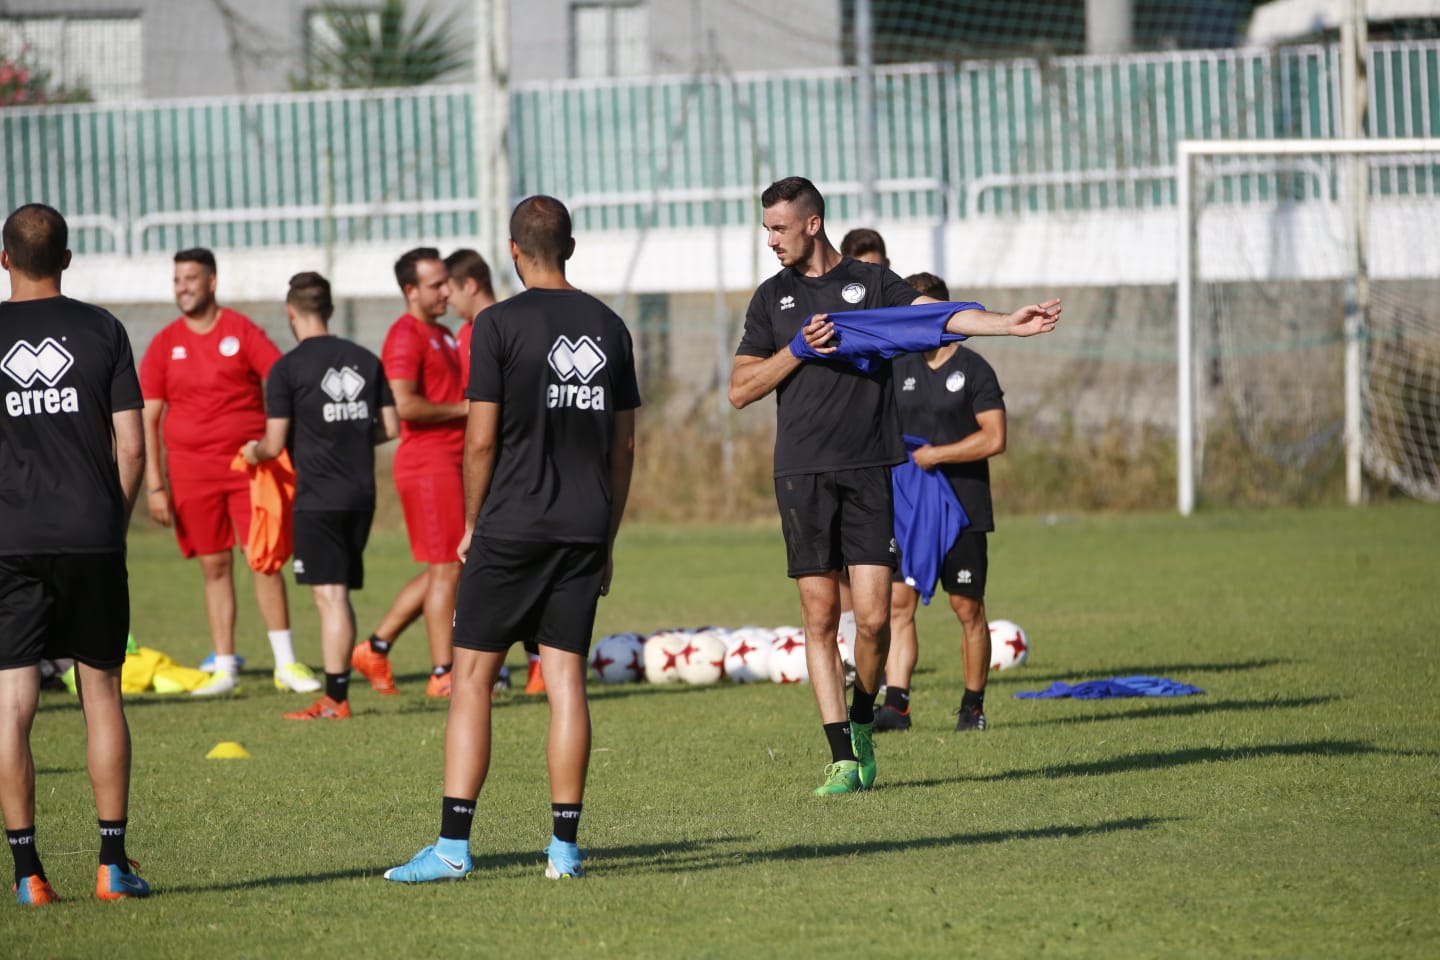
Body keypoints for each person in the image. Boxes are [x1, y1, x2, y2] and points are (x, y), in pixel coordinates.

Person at [729, 176, 1058, 796]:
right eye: (766, 227)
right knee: (821, 616)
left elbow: (935, 318)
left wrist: (1006, 326)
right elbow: (740, 388)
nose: (769, 239)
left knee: (876, 621)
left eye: (778, 227)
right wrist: (797, 349)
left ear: (812, 224)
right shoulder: (771, 299)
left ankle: (860, 719)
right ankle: (840, 758)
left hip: (870, 471)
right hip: (800, 474)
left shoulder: (871, 285)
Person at [385, 195, 638, 883]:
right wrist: (606, 537)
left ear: (514, 251)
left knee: (470, 678)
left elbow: (483, 438)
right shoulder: (611, 326)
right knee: (565, 681)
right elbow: (624, 448)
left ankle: (452, 849)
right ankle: (563, 851)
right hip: (585, 527)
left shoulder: (497, 325)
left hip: (512, 525)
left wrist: (473, 521)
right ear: (572, 246)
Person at [0, 203, 151, 904]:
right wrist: (108, 525)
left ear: (4, 261)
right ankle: (111, 866)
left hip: (11, 542)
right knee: (100, 692)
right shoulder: (103, 329)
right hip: (92, 535)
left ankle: (28, 873)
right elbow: (132, 446)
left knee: (12, 703)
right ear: (66, 258)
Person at [140, 248, 310, 697]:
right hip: (191, 472)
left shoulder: (240, 330)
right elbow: (148, 417)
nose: (183, 287)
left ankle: (286, 663)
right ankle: (225, 667)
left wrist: (277, 443)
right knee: (213, 565)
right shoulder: (164, 343)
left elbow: (282, 378)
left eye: (191, 278)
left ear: (211, 282)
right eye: (177, 279)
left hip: (246, 468)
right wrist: (154, 485)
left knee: (263, 559)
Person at [242, 272, 399, 720]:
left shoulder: (287, 369)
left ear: (291, 312)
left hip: (318, 497)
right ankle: (337, 694)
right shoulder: (365, 358)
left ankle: (335, 699)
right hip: (361, 494)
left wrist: (252, 452)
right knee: (337, 592)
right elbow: (390, 427)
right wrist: (349, 436)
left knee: (329, 596)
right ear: (328, 309)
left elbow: (273, 444)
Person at [878, 272, 1006, 734]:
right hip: (909, 507)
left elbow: (995, 438)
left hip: (963, 506)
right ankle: (897, 705)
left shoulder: (974, 370)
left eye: (929, 314)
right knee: (897, 604)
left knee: (966, 608)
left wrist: (939, 455)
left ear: (947, 316)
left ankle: (972, 707)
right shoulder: (897, 367)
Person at [351, 248, 467, 698]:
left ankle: (375, 647)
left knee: (449, 567)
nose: (445, 290)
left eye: (446, 282)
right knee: (446, 570)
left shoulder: (442, 333)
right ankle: (442, 674)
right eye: (436, 284)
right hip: (428, 462)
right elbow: (403, 406)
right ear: (410, 291)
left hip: (453, 460)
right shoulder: (405, 336)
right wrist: (465, 408)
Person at [444, 246, 547, 697]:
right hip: (558, 492)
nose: (446, 299)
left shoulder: (489, 327)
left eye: (448, 288)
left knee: (472, 575)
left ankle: (492, 667)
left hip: (505, 486)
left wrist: (474, 516)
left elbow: (482, 427)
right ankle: (532, 662)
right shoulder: (523, 321)